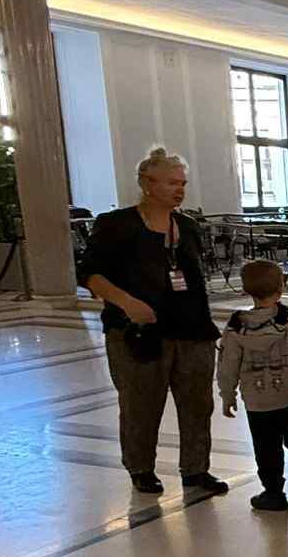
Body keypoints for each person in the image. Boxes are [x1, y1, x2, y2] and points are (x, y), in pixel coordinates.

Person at [78, 145, 227, 497]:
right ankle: (141, 468)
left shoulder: (187, 226)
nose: (180, 189)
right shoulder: (117, 224)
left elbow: (193, 278)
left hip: (191, 330)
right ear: (147, 183)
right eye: (172, 182)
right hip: (139, 332)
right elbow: (89, 273)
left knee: (197, 406)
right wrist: (126, 302)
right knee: (141, 405)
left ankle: (196, 469)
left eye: (183, 183)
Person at [218, 259, 288, 514]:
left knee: (266, 449)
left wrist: (227, 394)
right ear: (281, 288)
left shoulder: (236, 327)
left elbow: (227, 365)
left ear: (245, 291)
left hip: (258, 402)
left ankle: (274, 493)